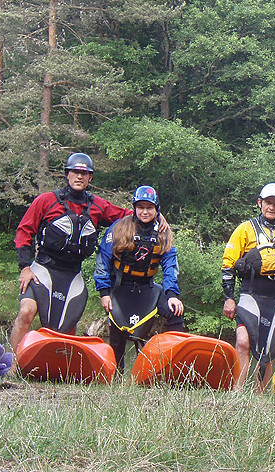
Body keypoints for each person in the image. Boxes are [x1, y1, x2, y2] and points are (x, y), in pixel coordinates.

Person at [11, 153, 134, 351]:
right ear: (67, 175)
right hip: (42, 269)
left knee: (67, 327)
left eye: (84, 173)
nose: (79, 176)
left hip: (72, 275)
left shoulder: (98, 206)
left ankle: (57, 369)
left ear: (90, 178)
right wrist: (24, 267)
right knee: (26, 311)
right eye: (75, 172)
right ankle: (13, 366)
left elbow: (128, 216)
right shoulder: (46, 200)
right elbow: (24, 231)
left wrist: (156, 216)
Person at [221, 183, 275, 391]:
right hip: (251, 292)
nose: (272, 207)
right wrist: (228, 298)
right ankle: (237, 392)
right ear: (260, 203)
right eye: (268, 202)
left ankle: (259, 397)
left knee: (267, 349)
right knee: (242, 341)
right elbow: (228, 265)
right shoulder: (244, 229)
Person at [94, 185, 184, 371]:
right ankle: (115, 376)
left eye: (149, 208)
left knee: (175, 312)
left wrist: (172, 294)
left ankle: (174, 365)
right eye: (141, 207)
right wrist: (104, 292)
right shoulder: (119, 227)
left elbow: (170, 266)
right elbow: (103, 259)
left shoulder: (163, 233)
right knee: (117, 337)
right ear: (134, 208)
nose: (145, 211)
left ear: (156, 210)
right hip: (120, 289)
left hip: (148, 288)